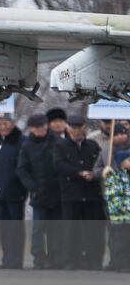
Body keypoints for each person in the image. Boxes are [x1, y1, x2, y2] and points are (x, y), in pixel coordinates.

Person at [54, 114, 103, 269]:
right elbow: (59, 165)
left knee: (93, 230)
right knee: (70, 230)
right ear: (68, 128)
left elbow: (100, 163)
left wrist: (93, 174)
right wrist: (78, 172)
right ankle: (71, 260)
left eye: (79, 127)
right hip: (71, 193)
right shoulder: (60, 146)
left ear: (84, 128)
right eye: (73, 127)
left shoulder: (93, 145)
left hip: (91, 193)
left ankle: (93, 261)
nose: (76, 130)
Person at [16, 113, 60, 269]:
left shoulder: (57, 141)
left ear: (46, 125)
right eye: (36, 127)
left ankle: (55, 259)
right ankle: (38, 259)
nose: (39, 129)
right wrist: (32, 188)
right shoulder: (27, 145)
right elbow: (22, 170)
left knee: (55, 229)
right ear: (31, 129)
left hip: (56, 193)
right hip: (38, 194)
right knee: (38, 229)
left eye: (41, 126)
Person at [0, 115, 26, 269]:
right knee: (4, 226)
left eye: (6, 123)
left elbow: (22, 166)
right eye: (0, 124)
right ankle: (7, 258)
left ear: (12, 123)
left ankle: (16, 259)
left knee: (15, 226)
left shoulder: (21, 141)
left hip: (15, 190)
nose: (3, 126)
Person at [101, 136, 130, 273]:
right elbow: (113, 195)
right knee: (119, 239)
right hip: (120, 213)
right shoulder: (117, 176)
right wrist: (107, 175)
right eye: (128, 160)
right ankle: (119, 262)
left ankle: (125, 262)